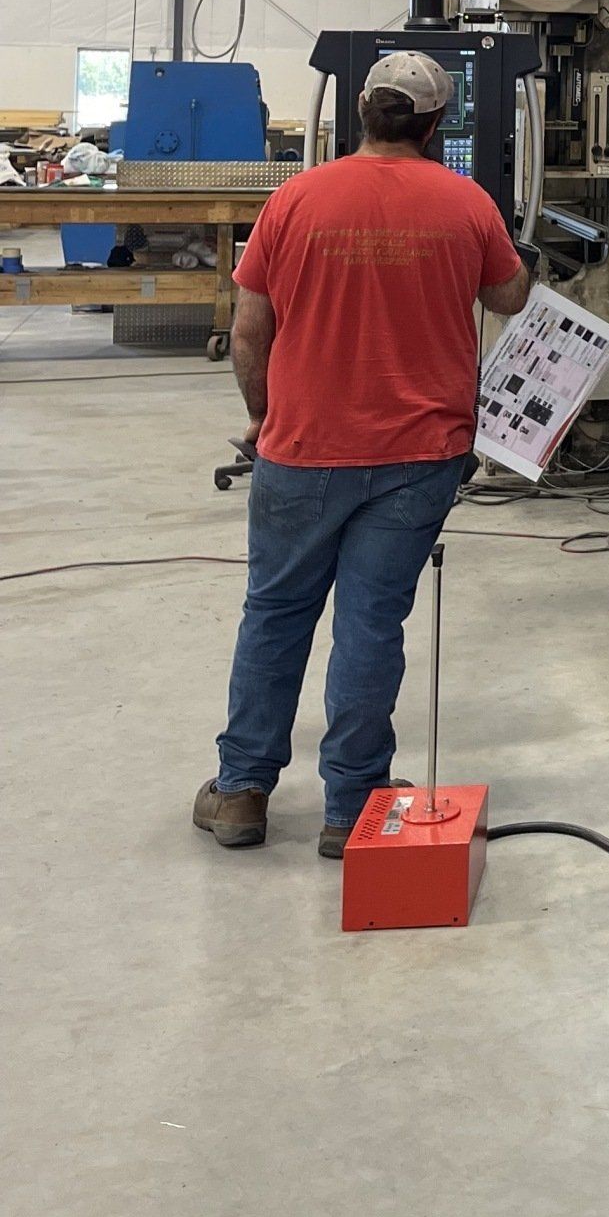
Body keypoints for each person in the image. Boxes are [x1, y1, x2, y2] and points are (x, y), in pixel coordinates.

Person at [193, 51, 532, 859]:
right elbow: (511, 297)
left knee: (275, 614)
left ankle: (242, 792)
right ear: (435, 124)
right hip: (421, 456)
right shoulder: (467, 203)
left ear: (361, 114)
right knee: (371, 628)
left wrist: (261, 418)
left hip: (304, 448)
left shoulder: (295, 199)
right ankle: (353, 808)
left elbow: (249, 331)